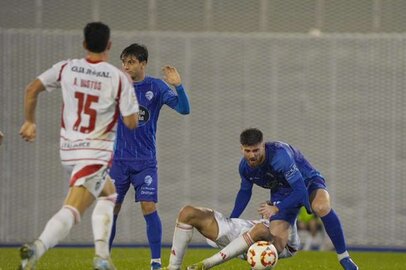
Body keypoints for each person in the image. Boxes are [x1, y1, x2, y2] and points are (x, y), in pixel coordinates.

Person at [18, 22, 139, 270]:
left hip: (69, 152)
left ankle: (102, 257)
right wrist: (125, 100)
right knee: (73, 208)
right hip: (93, 154)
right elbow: (131, 122)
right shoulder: (117, 78)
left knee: (109, 193)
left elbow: (32, 89)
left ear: (84, 44)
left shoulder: (66, 68)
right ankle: (36, 249)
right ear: (110, 45)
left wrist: (30, 121)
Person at [225, 128, 358, 270]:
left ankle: (344, 257)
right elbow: (245, 192)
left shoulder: (279, 156)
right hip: (282, 192)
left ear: (263, 146)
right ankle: (250, 257)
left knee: (321, 207)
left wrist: (276, 208)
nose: (252, 155)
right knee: (276, 247)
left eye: (256, 150)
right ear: (241, 149)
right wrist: (231, 221)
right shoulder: (244, 167)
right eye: (247, 151)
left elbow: (300, 191)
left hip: (307, 182)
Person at [108, 43, 190, 270]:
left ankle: (155, 263)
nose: (126, 66)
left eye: (131, 62)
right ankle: (103, 259)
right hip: (119, 161)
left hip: (145, 162)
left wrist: (178, 86)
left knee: (148, 206)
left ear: (143, 63)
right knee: (111, 208)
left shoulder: (156, 86)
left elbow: (184, 109)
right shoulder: (116, 86)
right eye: (124, 62)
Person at [161, 204, 300, 270]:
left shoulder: (285, 225)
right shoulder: (257, 221)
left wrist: (283, 209)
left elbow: (292, 246)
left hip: (262, 241)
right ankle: (173, 267)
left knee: (260, 230)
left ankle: (206, 264)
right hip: (233, 230)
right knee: (187, 212)